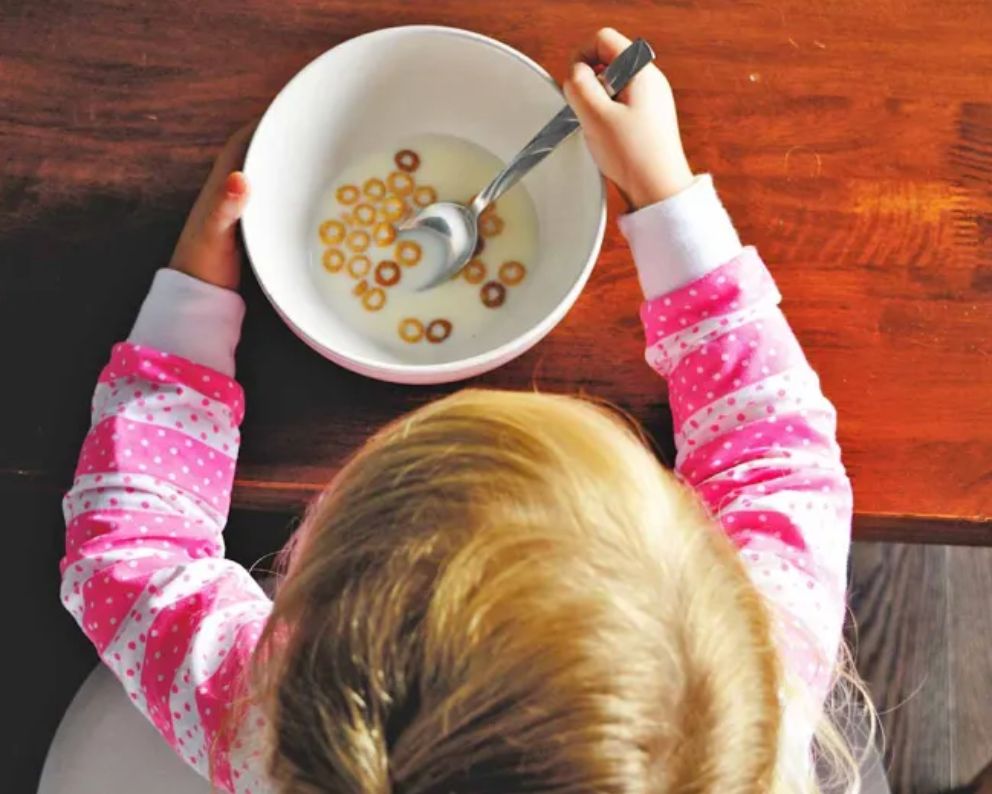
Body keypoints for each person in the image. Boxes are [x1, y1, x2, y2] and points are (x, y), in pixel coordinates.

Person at [60, 27, 875, 794]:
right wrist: (665, 196)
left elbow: (129, 551)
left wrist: (192, 303)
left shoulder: (265, 723)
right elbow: (775, 452)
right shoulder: (750, 694)